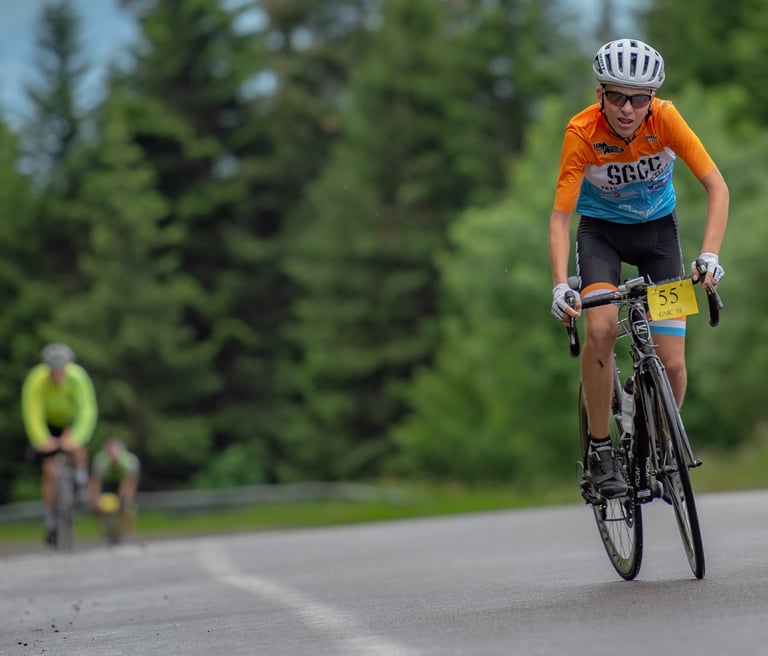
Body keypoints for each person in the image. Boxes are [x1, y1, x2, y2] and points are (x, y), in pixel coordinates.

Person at [548, 39, 729, 498]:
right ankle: (601, 450)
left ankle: (661, 449)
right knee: (602, 329)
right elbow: (561, 218)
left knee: (673, 364)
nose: (627, 108)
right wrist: (559, 285)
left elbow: (717, 187)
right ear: (600, 95)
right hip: (601, 237)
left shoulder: (666, 119)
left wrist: (710, 254)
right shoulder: (582, 132)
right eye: (616, 97)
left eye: (639, 98)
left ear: (652, 99)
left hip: (658, 238)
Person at [21, 342, 98, 544]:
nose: (57, 374)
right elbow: (32, 412)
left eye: (61, 369)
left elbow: (87, 410)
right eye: (53, 370)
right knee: (49, 471)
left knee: (78, 449)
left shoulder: (78, 378)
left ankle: (80, 481)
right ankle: (51, 520)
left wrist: (76, 437)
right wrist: (41, 439)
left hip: (72, 421)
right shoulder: (36, 380)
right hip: (49, 424)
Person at [88, 437, 141, 543]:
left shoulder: (130, 460)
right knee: (96, 504)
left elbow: (132, 481)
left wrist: (127, 495)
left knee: (128, 507)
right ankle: (105, 525)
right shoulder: (101, 460)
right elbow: (96, 481)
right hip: (107, 485)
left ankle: (127, 533)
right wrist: (94, 498)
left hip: (123, 483)